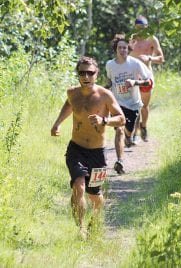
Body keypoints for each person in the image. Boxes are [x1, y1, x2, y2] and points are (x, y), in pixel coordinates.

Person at [51, 56, 125, 239]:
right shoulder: (72, 92)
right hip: (76, 148)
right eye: (82, 72)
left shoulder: (105, 95)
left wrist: (104, 120)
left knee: (95, 196)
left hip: (97, 152)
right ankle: (81, 228)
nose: (86, 76)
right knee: (78, 186)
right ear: (78, 74)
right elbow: (70, 104)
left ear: (96, 74)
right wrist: (58, 123)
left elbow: (122, 118)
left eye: (90, 72)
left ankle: (95, 218)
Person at [105, 35, 152, 175]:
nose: (122, 50)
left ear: (129, 49)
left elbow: (148, 82)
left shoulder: (135, 64)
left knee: (128, 131)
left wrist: (134, 82)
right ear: (116, 49)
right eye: (120, 47)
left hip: (132, 104)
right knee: (119, 129)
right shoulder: (110, 65)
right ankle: (120, 161)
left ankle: (129, 136)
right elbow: (111, 82)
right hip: (117, 103)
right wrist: (102, 90)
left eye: (125, 47)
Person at [129, 15, 165, 143]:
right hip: (132, 77)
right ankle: (134, 133)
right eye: (138, 28)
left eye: (143, 28)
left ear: (147, 27)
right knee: (134, 106)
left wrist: (150, 58)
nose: (140, 31)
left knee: (144, 106)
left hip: (146, 77)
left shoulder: (152, 40)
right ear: (135, 27)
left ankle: (143, 127)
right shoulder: (131, 39)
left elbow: (161, 59)